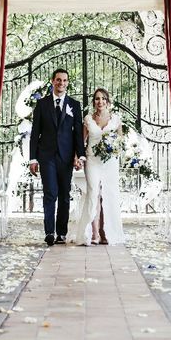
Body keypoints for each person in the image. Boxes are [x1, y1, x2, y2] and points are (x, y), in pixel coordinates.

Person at [29, 69, 85, 246]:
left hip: (66, 157)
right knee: (50, 193)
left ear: (67, 83)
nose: (61, 83)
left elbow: (77, 134)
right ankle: (49, 232)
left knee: (64, 195)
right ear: (52, 81)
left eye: (65, 80)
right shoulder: (42, 104)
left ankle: (61, 232)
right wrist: (33, 159)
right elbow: (34, 133)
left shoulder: (74, 105)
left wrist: (80, 156)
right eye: (58, 80)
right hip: (46, 156)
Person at [75, 88, 126, 246]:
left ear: (108, 101)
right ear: (94, 102)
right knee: (93, 194)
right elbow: (81, 142)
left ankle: (107, 232)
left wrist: (113, 148)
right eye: (97, 99)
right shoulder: (88, 119)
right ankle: (94, 233)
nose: (100, 102)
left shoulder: (116, 119)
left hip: (110, 162)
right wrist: (77, 158)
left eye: (103, 98)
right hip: (92, 161)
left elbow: (120, 141)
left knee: (108, 195)